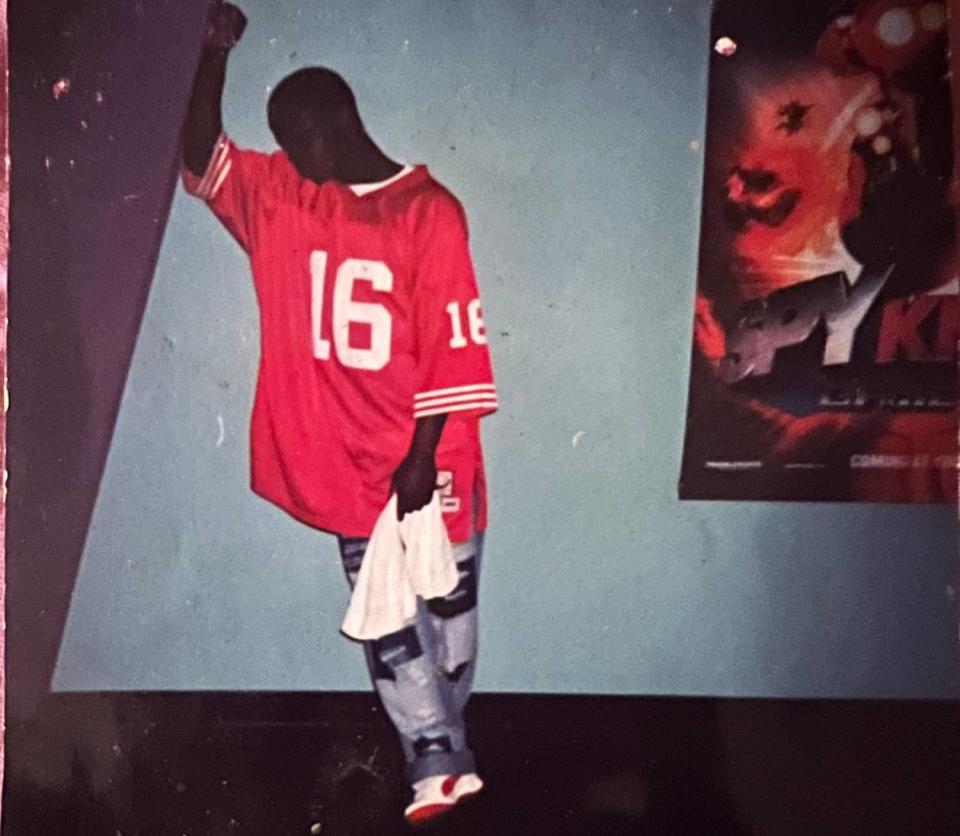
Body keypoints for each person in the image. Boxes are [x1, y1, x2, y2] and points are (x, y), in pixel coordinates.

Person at [180, 3, 497, 825]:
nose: (287, 158)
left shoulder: (430, 212)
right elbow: (199, 153)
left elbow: (451, 344)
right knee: (391, 621)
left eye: (296, 140)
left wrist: (424, 452)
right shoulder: (285, 198)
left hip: (434, 452)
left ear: (335, 122)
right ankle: (435, 761)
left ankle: (445, 747)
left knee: (450, 624)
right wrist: (212, 51)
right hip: (348, 462)